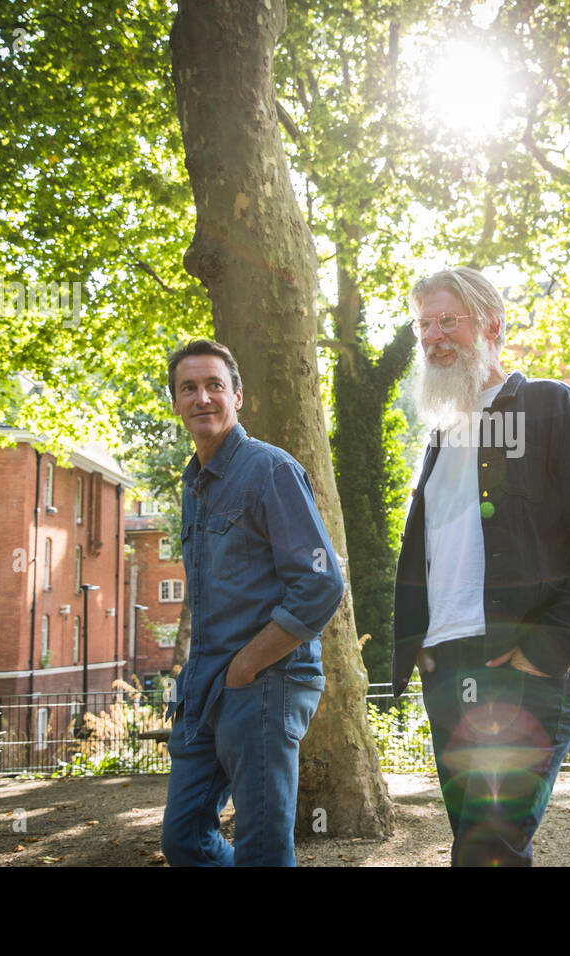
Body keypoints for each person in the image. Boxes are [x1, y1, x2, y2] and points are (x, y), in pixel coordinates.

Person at [392, 267, 570, 866]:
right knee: (476, 849)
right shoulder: (439, 438)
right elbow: (430, 553)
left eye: (448, 320)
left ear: (492, 325)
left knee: (487, 849)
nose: (433, 335)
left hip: (521, 665)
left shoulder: (549, 405)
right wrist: (421, 644)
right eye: (424, 324)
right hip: (446, 667)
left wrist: (550, 648)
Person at [159, 339, 344, 866]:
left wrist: (246, 664)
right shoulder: (193, 483)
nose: (202, 398)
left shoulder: (269, 470)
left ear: (237, 396)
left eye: (214, 385)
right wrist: (214, 672)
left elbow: (322, 582)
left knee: (262, 848)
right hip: (205, 684)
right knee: (182, 840)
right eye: (188, 388)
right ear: (175, 403)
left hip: (266, 681)